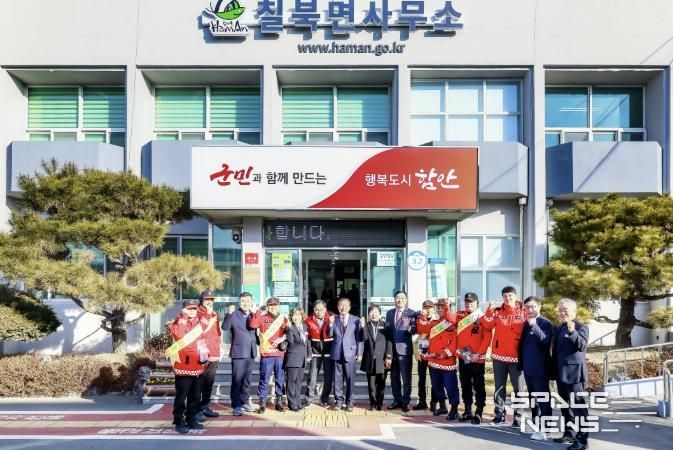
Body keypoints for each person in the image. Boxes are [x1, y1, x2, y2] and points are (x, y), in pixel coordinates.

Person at [483, 286, 526, 426]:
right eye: (505, 296)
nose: (508, 298)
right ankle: (499, 415)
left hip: (517, 357)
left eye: (510, 295)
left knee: (518, 389)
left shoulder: (524, 312)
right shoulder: (497, 312)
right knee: (499, 387)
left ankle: (518, 416)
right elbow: (487, 325)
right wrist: (489, 311)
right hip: (499, 357)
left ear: (516, 296)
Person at [553, 298, 590, 450]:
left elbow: (582, 346)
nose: (562, 313)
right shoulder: (560, 328)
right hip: (561, 374)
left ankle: (582, 441)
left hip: (575, 375)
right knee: (565, 406)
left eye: (565, 310)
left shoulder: (581, 327)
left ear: (574, 311)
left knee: (578, 407)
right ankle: (569, 433)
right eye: (560, 310)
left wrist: (572, 332)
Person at [165, 299, 206, 434]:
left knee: (195, 396)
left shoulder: (199, 323)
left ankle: (191, 418)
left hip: (197, 365)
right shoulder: (177, 322)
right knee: (181, 397)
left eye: (194, 309)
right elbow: (179, 335)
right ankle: (178, 420)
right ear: (183, 309)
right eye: (189, 309)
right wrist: (183, 317)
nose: (192, 311)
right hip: (183, 366)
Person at [518, 296, 554, 441]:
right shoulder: (526, 323)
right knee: (533, 398)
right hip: (528, 368)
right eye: (527, 307)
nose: (530, 309)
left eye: (533, 306)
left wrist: (535, 326)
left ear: (539, 307)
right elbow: (523, 345)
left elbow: (546, 342)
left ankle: (546, 430)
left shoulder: (546, 323)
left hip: (541, 368)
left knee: (543, 399)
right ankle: (535, 425)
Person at [455, 292, 492, 424]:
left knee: (478, 385)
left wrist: (479, 353)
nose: (469, 304)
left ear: (477, 303)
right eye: (467, 302)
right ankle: (467, 411)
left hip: (477, 358)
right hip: (463, 356)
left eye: (471, 302)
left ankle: (479, 412)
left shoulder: (482, 317)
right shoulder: (460, 317)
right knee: (465, 384)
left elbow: (487, 338)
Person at [249, 297, 289, 413]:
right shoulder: (262, 317)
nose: (273, 307)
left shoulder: (283, 318)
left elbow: (288, 333)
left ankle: (279, 402)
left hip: (280, 354)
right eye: (270, 305)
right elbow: (252, 325)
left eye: (275, 305)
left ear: (278, 306)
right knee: (264, 379)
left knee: (280, 379)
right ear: (267, 306)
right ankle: (262, 403)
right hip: (267, 354)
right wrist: (258, 311)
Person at [221, 291, 258, 416]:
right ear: (239, 302)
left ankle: (245, 402)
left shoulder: (254, 315)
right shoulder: (234, 314)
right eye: (243, 301)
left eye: (248, 301)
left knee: (247, 380)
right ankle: (236, 405)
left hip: (251, 352)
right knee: (237, 380)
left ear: (251, 302)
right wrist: (228, 314)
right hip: (238, 353)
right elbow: (225, 327)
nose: (245, 303)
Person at [426, 298, 460, 420]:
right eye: (438, 307)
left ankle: (454, 409)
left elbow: (455, 341)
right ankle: (442, 406)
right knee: (437, 386)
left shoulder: (453, 322)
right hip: (434, 361)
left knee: (450, 386)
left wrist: (445, 354)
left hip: (447, 361)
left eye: (443, 307)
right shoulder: (434, 323)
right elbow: (424, 336)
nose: (440, 309)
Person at [328, 297, 363, 411]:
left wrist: (359, 352)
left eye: (345, 305)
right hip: (337, 352)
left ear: (349, 307)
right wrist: (330, 324)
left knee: (350, 379)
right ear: (337, 307)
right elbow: (329, 334)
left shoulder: (356, 320)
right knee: (337, 379)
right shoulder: (334, 319)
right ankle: (338, 401)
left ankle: (349, 402)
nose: (343, 308)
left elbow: (359, 338)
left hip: (350, 353)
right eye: (341, 305)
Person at [385, 290, 417, 413]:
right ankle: (397, 400)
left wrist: (411, 327)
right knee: (394, 378)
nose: (400, 300)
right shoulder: (390, 313)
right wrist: (388, 354)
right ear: (394, 299)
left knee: (406, 378)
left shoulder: (412, 313)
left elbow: (414, 331)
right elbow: (388, 333)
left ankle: (406, 401)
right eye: (398, 298)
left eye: (403, 298)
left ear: (406, 300)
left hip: (405, 351)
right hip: (392, 351)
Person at [360, 304, 392, 411]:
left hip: (382, 359)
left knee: (381, 383)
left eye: (376, 312)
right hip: (370, 359)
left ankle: (380, 403)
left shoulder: (385, 325)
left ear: (380, 313)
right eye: (371, 312)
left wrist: (388, 356)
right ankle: (372, 403)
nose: (373, 314)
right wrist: (363, 327)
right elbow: (364, 338)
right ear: (368, 314)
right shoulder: (366, 325)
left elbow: (389, 342)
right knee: (371, 384)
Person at [304, 299, 335, 408]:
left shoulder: (333, 318)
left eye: (321, 309)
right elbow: (307, 339)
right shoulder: (308, 321)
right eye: (316, 310)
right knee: (312, 377)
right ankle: (308, 399)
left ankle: (324, 399)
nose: (319, 312)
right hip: (315, 352)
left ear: (325, 309)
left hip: (329, 352)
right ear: (313, 310)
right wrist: (309, 353)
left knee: (328, 378)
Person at [196, 290, 222, 419]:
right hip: (201, 353)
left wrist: (218, 348)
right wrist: (208, 314)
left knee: (209, 383)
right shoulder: (197, 313)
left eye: (211, 300)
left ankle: (205, 406)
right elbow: (199, 330)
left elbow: (217, 333)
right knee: (198, 384)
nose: (209, 302)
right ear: (201, 300)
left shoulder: (214, 314)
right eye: (207, 299)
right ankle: (196, 410)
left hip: (213, 352)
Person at [285, 306, 312, 411]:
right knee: (291, 381)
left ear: (302, 316)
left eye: (298, 315)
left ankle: (297, 401)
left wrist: (309, 354)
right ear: (291, 317)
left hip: (302, 358)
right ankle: (292, 403)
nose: (296, 317)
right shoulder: (290, 327)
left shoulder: (304, 326)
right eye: (294, 315)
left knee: (299, 382)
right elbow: (291, 342)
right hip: (293, 358)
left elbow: (307, 342)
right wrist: (289, 329)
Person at [414, 299, 438, 412]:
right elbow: (420, 331)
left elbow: (431, 332)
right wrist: (423, 318)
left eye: (429, 308)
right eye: (425, 308)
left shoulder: (437, 319)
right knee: (421, 379)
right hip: (422, 353)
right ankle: (422, 401)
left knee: (434, 379)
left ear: (433, 309)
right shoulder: (420, 319)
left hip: (433, 354)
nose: (427, 310)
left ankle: (434, 402)